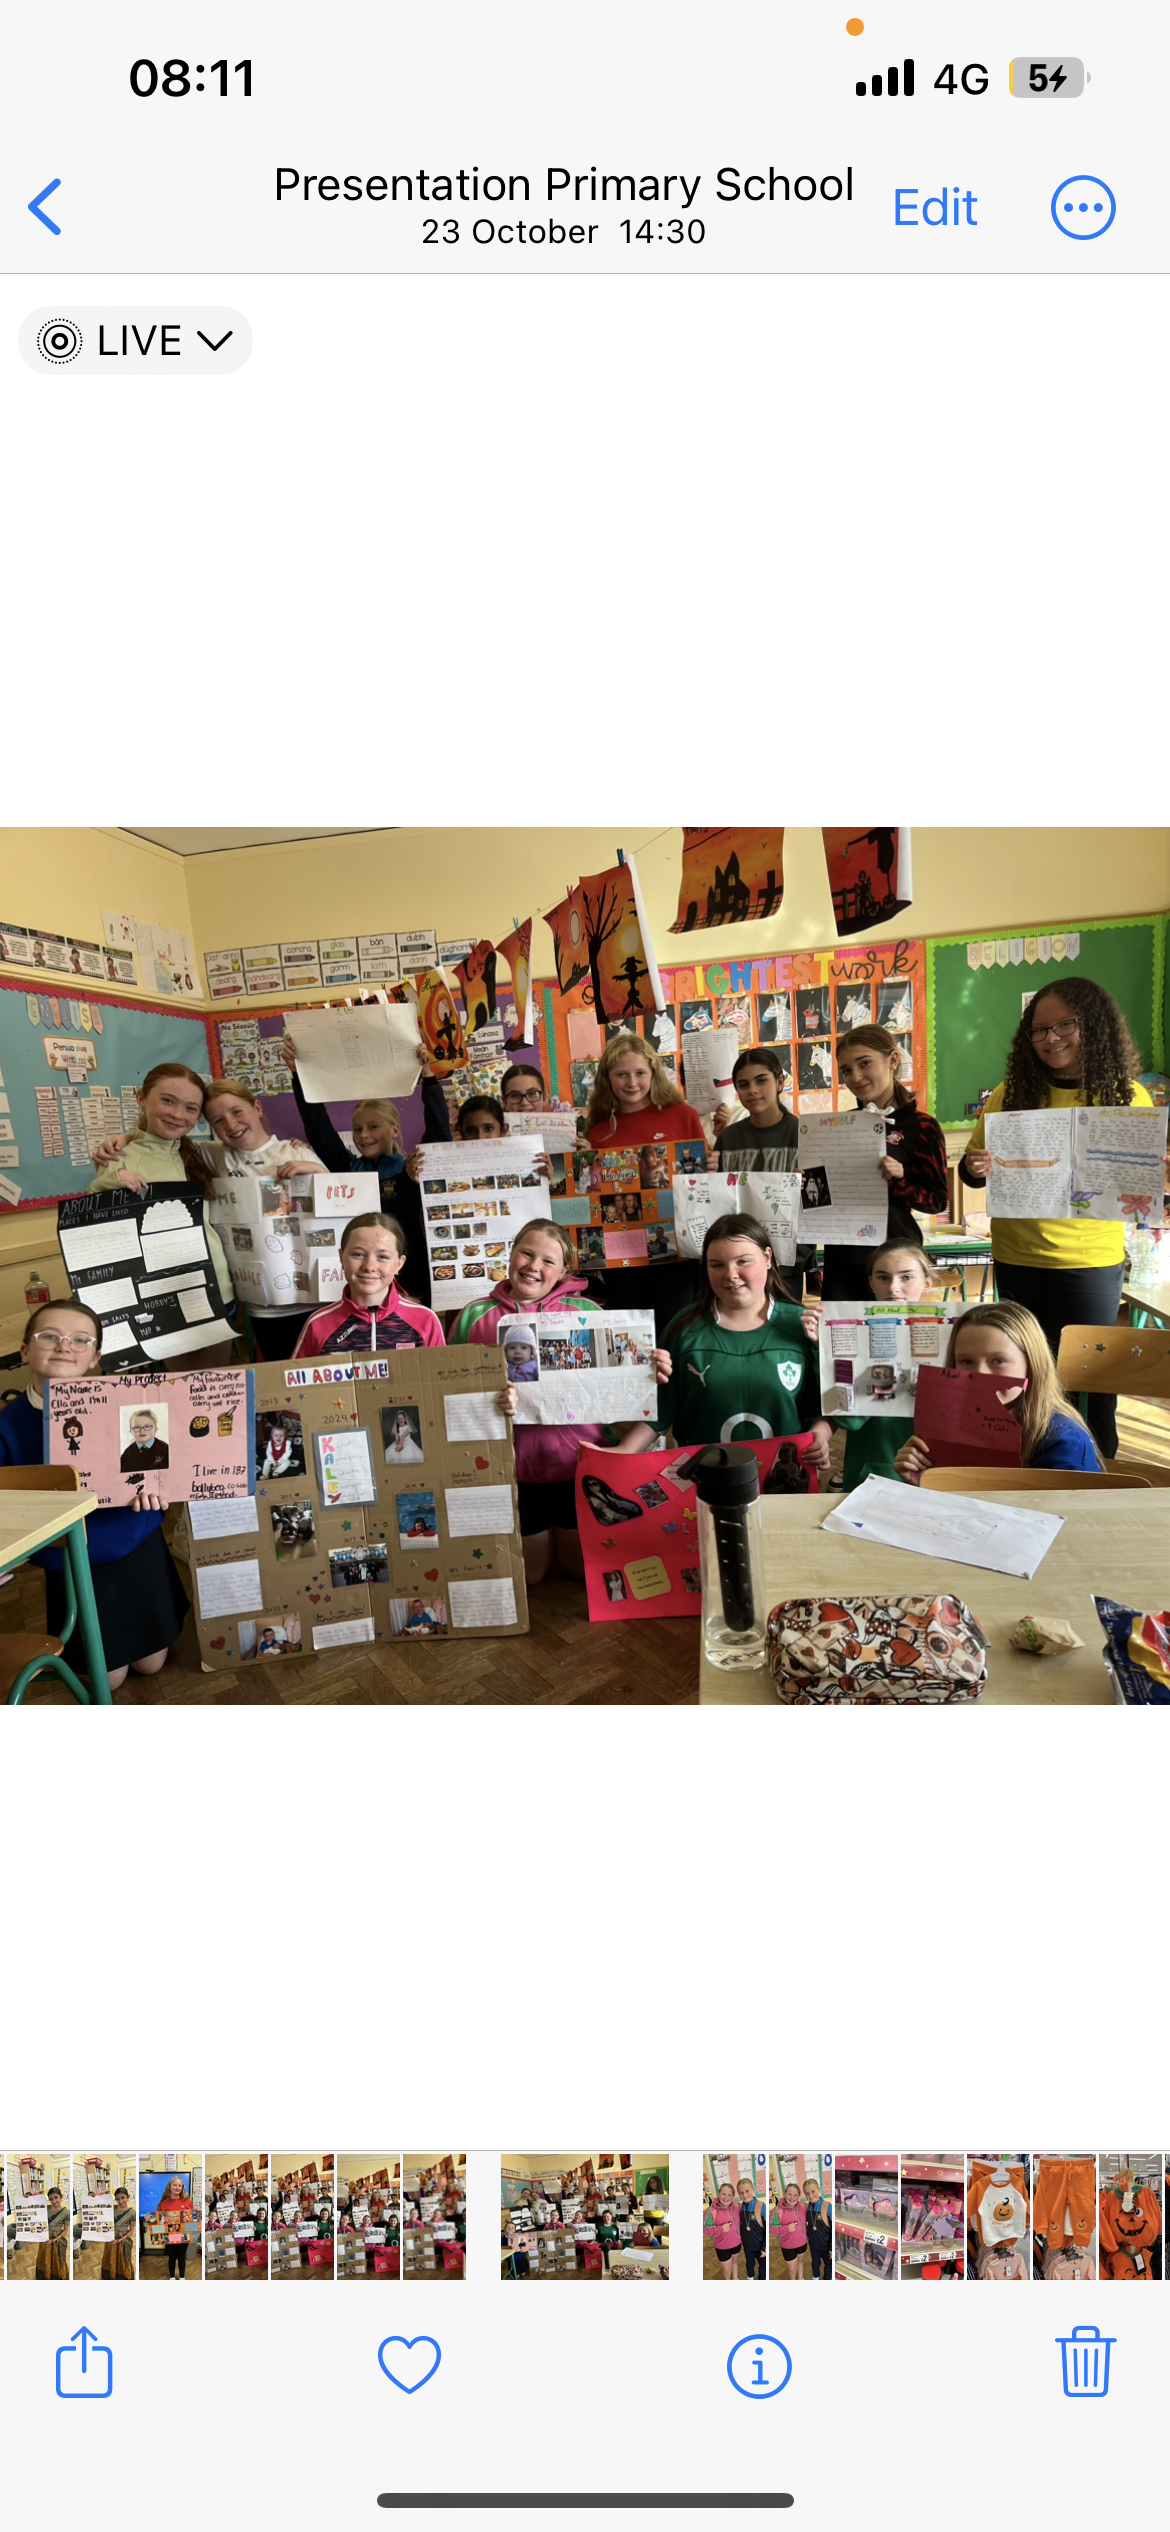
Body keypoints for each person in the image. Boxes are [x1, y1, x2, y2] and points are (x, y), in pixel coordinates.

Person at [958, 978, 1157, 1456]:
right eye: (1039, 1030)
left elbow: (1135, 1187)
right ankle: (1024, 1463)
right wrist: (974, 1166)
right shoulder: (1010, 1094)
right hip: (1017, 1256)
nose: (1051, 1039)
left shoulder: (1127, 1096)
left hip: (1089, 1262)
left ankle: (1094, 1467)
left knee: (1090, 1383)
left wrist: (1152, 1174)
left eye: (1065, 1025)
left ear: (1095, 1026)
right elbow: (971, 1171)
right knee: (1020, 1376)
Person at [0, 1302, 189, 1692]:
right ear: (25, 1351)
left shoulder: (128, 1406)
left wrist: (160, 1489)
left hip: (134, 1539)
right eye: (49, 1336)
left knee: (152, 1664)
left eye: (80, 1340)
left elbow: (166, 1460)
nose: (64, 1346)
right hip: (71, 1555)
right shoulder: (7, 1424)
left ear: (95, 1358)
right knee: (110, 1679)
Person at [91, 1074, 328, 1357]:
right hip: (263, 1301)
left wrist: (319, 1173)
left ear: (257, 1108)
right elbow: (163, 1142)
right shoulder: (213, 1155)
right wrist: (125, 1139)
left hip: (318, 1295)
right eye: (218, 1121)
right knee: (281, 1369)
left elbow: (340, 1213)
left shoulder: (299, 1153)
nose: (231, 1124)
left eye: (237, 1112)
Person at [449, 1221, 618, 1586]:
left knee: (577, 1569)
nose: (533, 1266)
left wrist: (651, 1364)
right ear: (510, 1254)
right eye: (526, 1253)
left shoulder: (587, 1311)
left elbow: (620, 1377)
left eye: (547, 1260)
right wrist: (488, 1397)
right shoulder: (474, 1316)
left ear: (564, 1271)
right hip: (512, 1466)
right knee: (531, 1575)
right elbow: (449, 1388)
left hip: (576, 1460)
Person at [281, 1029, 453, 1309]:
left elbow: (439, 1134)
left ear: (395, 1130)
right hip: (364, 1276)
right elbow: (318, 1127)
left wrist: (429, 1078)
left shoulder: (412, 1171)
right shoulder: (348, 1168)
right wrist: (299, 1074)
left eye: (373, 1127)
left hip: (412, 1273)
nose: (363, 1135)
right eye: (357, 1128)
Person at [639, 1215, 831, 1464]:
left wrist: (821, 1436)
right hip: (701, 1476)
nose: (731, 1274)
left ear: (768, 1258)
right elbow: (659, 1409)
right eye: (717, 1265)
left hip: (784, 1476)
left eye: (743, 1261)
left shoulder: (803, 1327)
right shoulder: (684, 1328)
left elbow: (828, 1403)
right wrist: (622, 1451)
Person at [87, 1063, 237, 1366]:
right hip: (166, 1294)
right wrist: (106, 1184)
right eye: (168, 1100)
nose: (178, 1114)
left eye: (191, 1108)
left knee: (221, 1383)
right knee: (188, 1389)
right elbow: (97, 1230)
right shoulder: (118, 1157)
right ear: (141, 1098)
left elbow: (254, 1150)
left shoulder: (199, 1153)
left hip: (217, 1287)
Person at [894, 1299, 1101, 1483]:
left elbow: (1057, 1511)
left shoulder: (1062, 1442)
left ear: (1032, 1365)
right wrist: (923, 1480)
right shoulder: (950, 1427)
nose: (979, 1374)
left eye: (998, 1361)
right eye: (966, 1361)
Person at [818, 1026, 948, 1301]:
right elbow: (824, 1199)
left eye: (865, 1063)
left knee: (892, 1326)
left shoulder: (923, 1127)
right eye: (846, 1070)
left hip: (895, 1260)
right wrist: (809, 1182)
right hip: (844, 1254)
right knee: (842, 1326)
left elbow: (936, 1202)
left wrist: (901, 1180)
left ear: (893, 1060)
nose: (856, 1077)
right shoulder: (839, 1126)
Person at [818, 1240, 944, 1491]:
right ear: (871, 1283)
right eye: (883, 1277)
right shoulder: (853, 1337)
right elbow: (849, 1420)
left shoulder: (951, 1339)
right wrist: (822, 1348)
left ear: (927, 1283)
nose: (894, 1287)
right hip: (871, 1475)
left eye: (906, 1277)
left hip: (935, 1472)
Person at [709, 1042, 817, 1294]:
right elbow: (719, 1201)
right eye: (744, 1084)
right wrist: (708, 1177)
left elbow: (818, 1203)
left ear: (779, 1082)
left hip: (785, 1262)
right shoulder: (729, 1138)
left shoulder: (806, 1135)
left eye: (761, 1080)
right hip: (736, 1262)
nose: (753, 1090)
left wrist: (805, 1187)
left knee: (783, 1318)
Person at [292, 1213, 445, 1356]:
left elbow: (440, 1375)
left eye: (383, 1257)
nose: (369, 1266)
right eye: (358, 1254)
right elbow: (295, 1376)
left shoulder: (426, 1321)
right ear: (341, 1258)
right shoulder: (317, 1324)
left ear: (399, 1264)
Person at [159, 2174, 193, 2279]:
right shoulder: (163, 2204)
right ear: (169, 2186)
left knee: (182, 2257)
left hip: (184, 2234)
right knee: (172, 2257)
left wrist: (199, 2214)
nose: (177, 2187)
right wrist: (149, 2219)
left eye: (179, 2185)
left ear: (182, 2188)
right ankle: (172, 2277)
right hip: (170, 2235)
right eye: (175, 2185)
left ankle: (182, 2277)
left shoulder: (187, 2202)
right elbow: (159, 2221)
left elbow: (193, 2219)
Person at [775, 2182, 809, 2280]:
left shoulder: (803, 2206)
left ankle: (800, 2277)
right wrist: (785, 2229)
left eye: (795, 2195)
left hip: (802, 2242)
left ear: (799, 2196)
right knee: (792, 2269)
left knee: (800, 2261)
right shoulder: (778, 2210)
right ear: (785, 2194)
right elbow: (769, 2227)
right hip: (787, 2245)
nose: (792, 2197)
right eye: (789, 2194)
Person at [119, 1408, 169, 1473]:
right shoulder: (127, 1454)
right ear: (131, 1431)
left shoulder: (166, 1450)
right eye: (137, 1427)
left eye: (147, 1426)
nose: (142, 1430)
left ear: (155, 1430)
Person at [710, 2182, 743, 2279]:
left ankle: (735, 2278)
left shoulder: (737, 2206)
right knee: (727, 2269)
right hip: (722, 2246)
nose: (726, 2197)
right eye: (723, 2194)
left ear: (733, 2197)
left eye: (729, 2195)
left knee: (735, 2261)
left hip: (736, 2243)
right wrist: (719, 2229)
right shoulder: (711, 2211)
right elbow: (703, 2227)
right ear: (718, 2194)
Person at [36, 2186, 70, 2279]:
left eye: (56, 2197)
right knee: (45, 2258)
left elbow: (65, 2230)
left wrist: (53, 2240)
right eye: (51, 2199)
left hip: (56, 2240)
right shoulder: (45, 2209)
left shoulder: (66, 2212)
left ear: (61, 2197)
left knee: (57, 2260)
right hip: (44, 2239)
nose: (54, 2201)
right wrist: (27, 2197)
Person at [103, 2185, 135, 2280]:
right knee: (110, 2258)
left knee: (123, 2260)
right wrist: (92, 2197)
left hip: (122, 2241)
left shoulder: (132, 2213)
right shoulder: (112, 2208)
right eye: (118, 2199)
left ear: (128, 2197)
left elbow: (131, 2231)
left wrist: (119, 2240)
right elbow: (98, 2208)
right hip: (110, 2239)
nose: (120, 2201)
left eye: (123, 2198)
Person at [738, 2174, 767, 2281]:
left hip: (760, 2247)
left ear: (753, 2190)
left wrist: (764, 2248)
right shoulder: (740, 2207)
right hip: (747, 2246)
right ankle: (750, 2277)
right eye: (741, 2193)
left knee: (763, 2267)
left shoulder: (761, 2206)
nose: (745, 2195)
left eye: (747, 2191)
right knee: (749, 2264)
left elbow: (767, 2230)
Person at [804, 2178, 832, 2281]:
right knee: (815, 2263)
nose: (811, 2195)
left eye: (813, 2191)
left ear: (818, 2190)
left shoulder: (827, 2206)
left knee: (828, 2265)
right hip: (814, 2245)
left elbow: (833, 2230)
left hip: (826, 2246)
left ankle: (827, 2279)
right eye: (807, 2193)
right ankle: (816, 2276)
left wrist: (831, 2248)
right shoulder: (807, 2207)